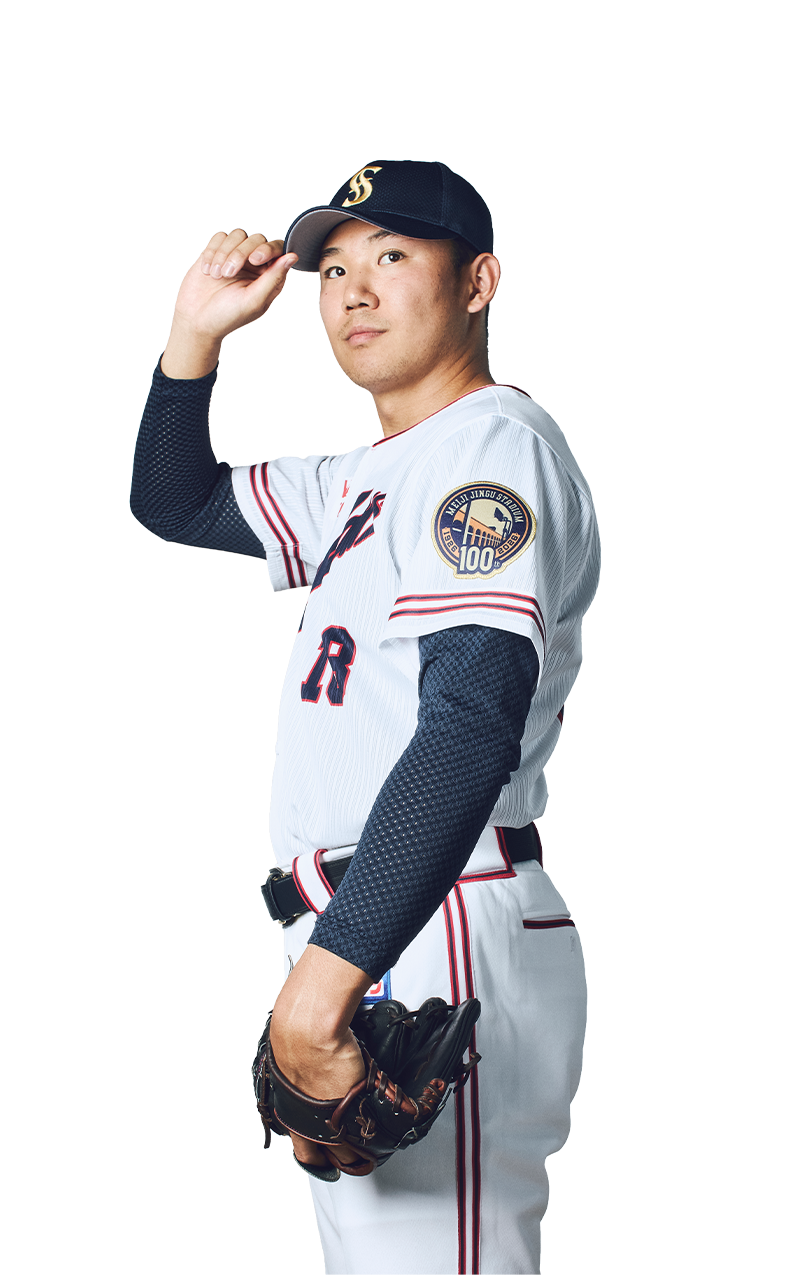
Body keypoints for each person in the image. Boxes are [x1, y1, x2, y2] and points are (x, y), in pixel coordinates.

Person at [130, 160, 600, 1275]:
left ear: (477, 283)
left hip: (423, 914)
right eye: (333, 267)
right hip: (375, 918)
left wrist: (331, 972)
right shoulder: (365, 475)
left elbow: (470, 722)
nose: (354, 289)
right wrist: (193, 337)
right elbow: (175, 499)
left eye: (392, 255)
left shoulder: (488, 448)